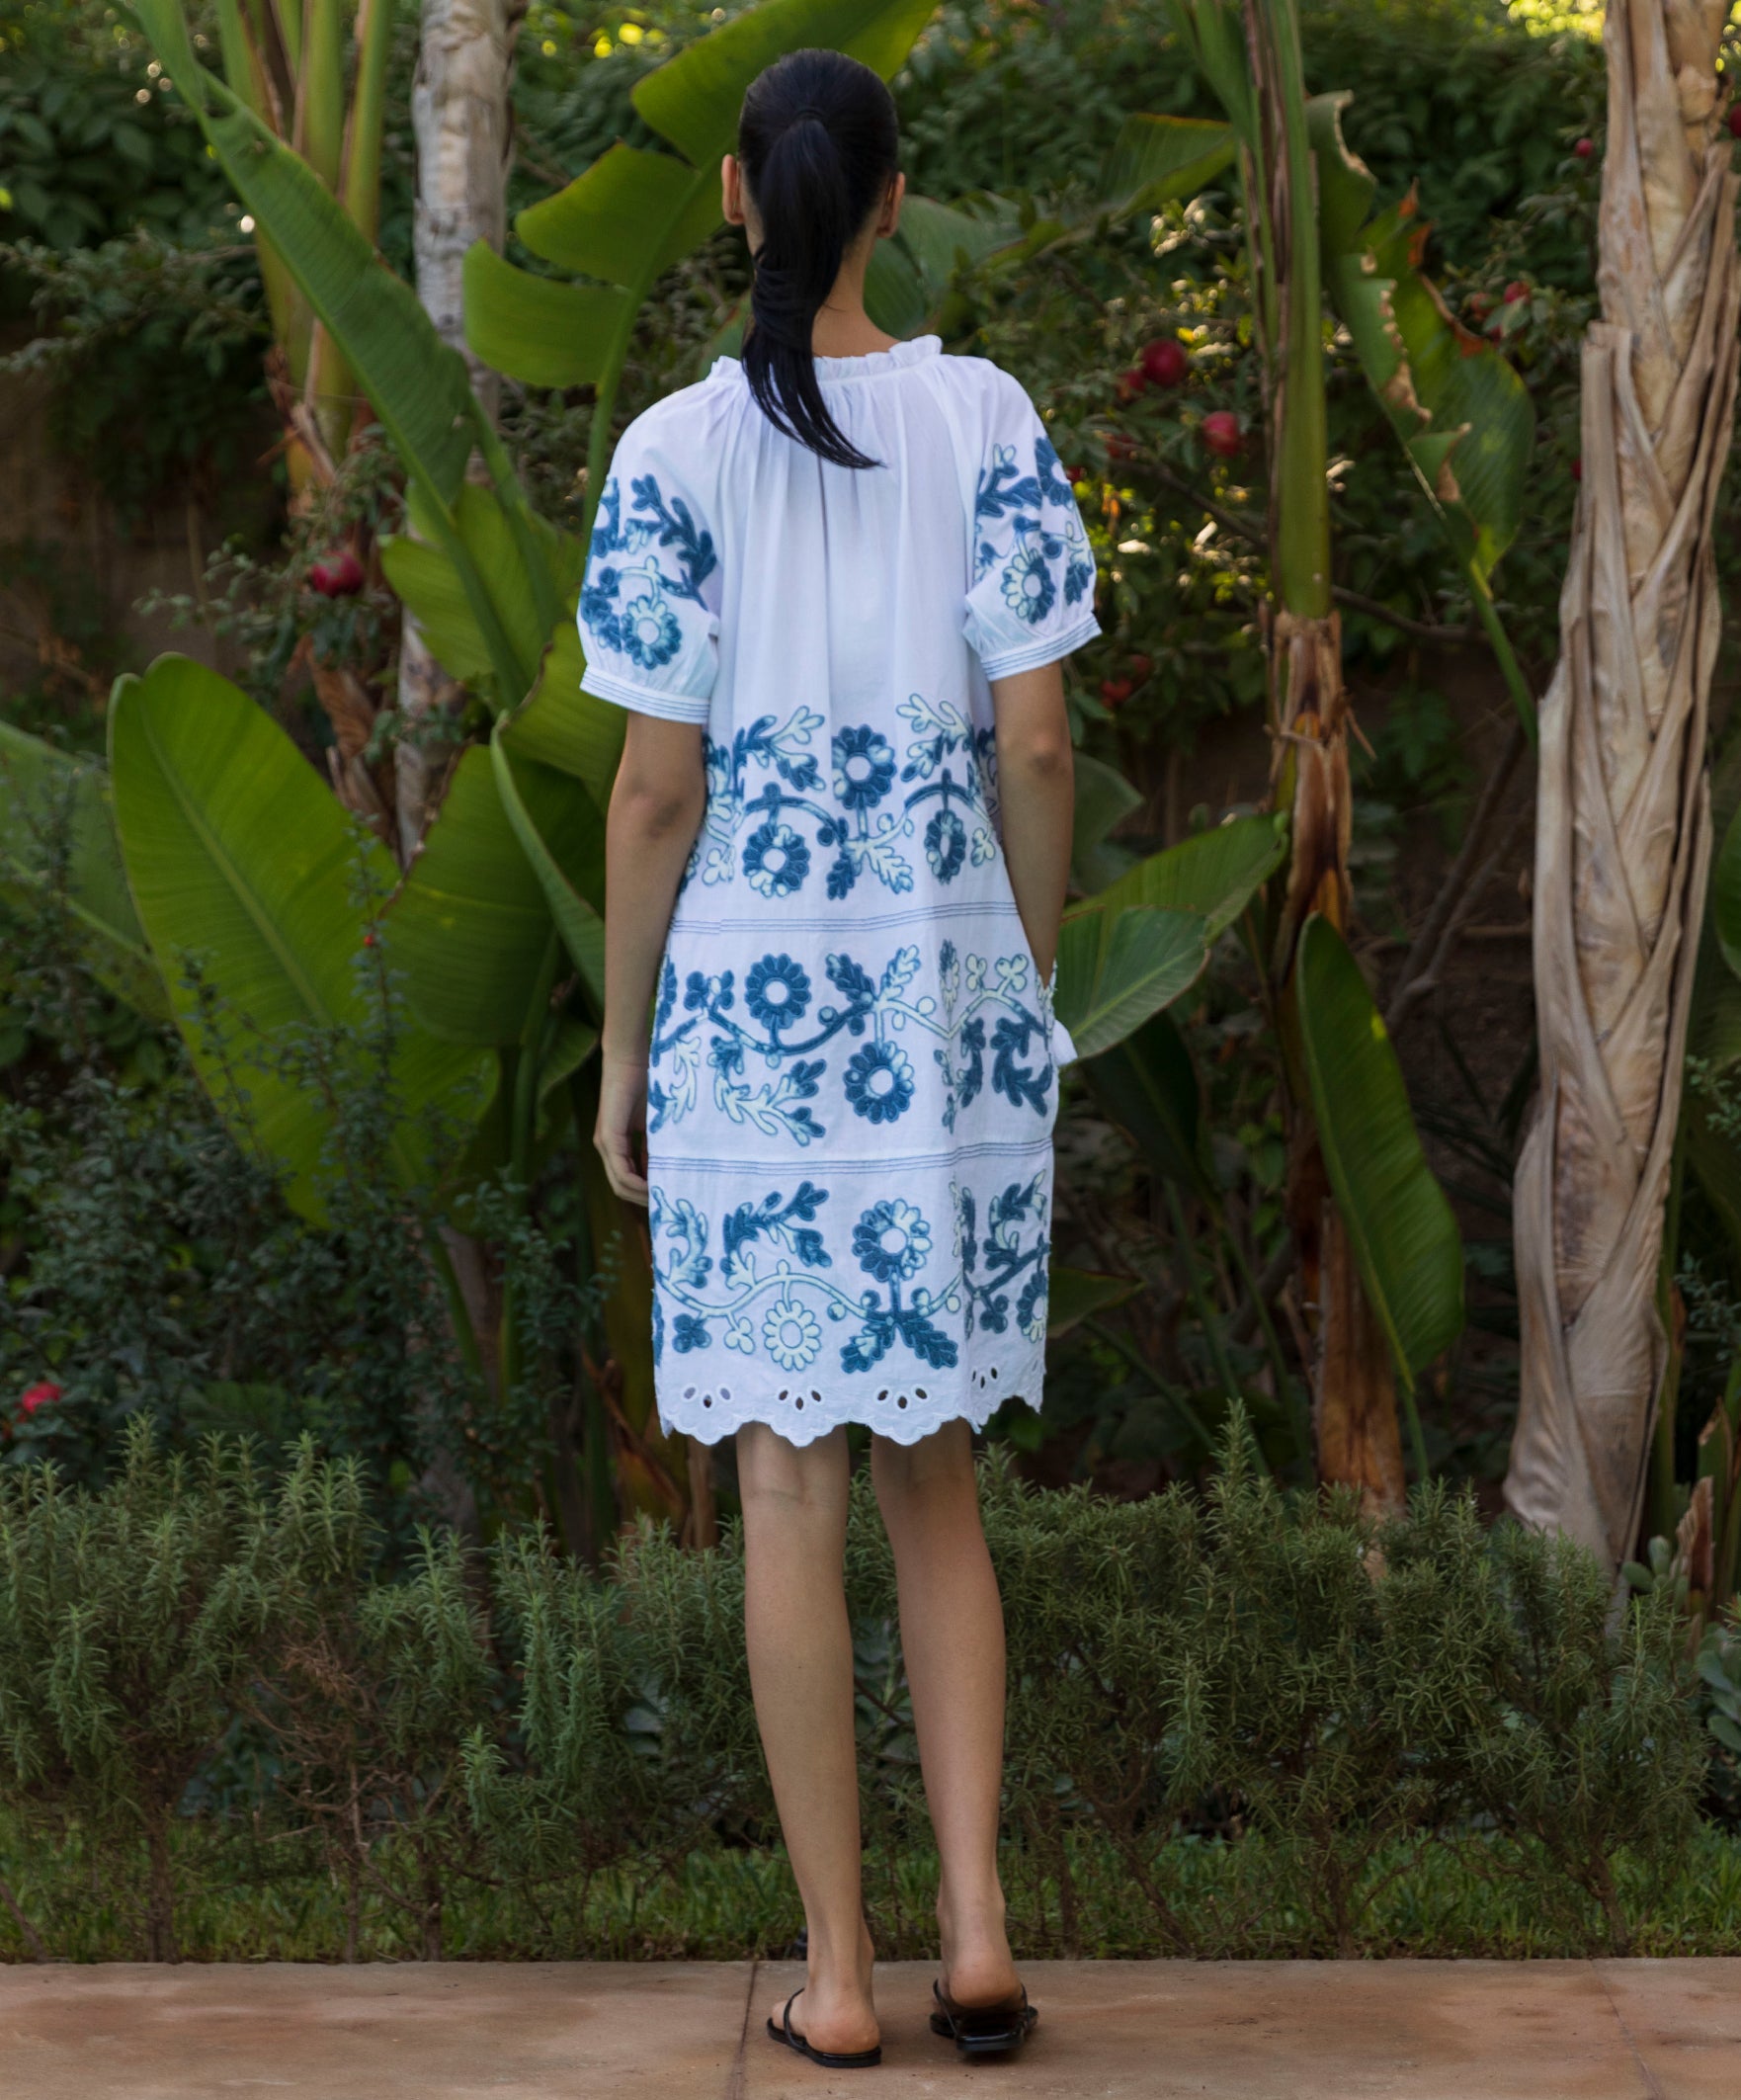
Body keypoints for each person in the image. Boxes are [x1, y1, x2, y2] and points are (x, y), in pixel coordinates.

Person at [584, 44, 1098, 2070]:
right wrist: (1018, 979)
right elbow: (1039, 743)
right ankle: (981, 1933)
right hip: (945, 1019)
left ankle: (841, 1973)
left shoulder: (667, 452)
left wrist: (621, 1055)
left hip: (746, 1033)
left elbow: (648, 789)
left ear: (735, 197)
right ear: (890, 200)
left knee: (784, 1490)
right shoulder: (987, 419)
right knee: (937, 1482)